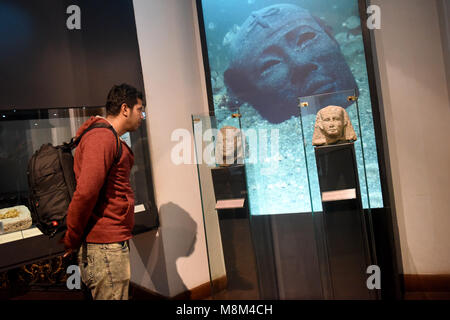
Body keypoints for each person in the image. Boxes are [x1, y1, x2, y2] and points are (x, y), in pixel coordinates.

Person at [63, 83, 145, 300]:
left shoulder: (106, 137)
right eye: (140, 109)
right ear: (125, 109)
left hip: (107, 243)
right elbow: (86, 193)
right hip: (105, 247)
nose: (142, 115)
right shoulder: (102, 138)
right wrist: (72, 238)